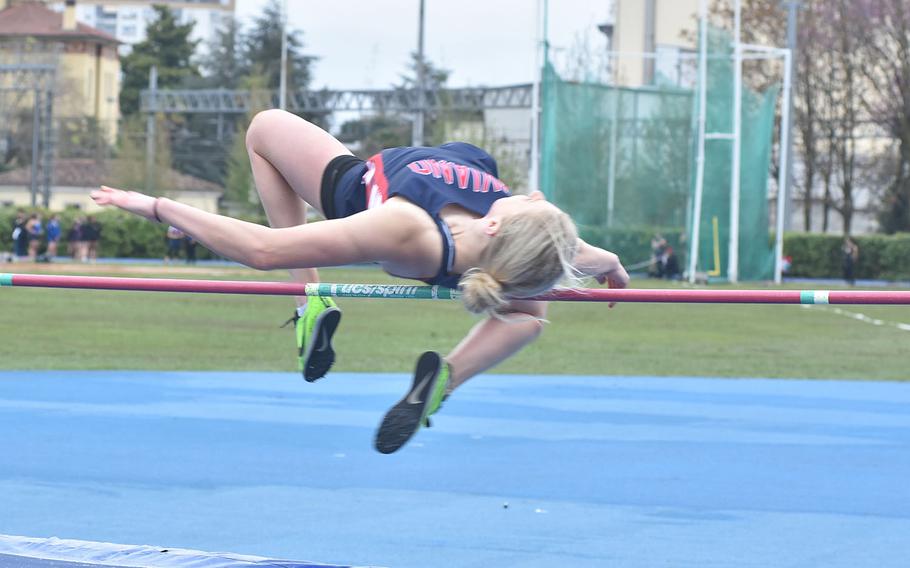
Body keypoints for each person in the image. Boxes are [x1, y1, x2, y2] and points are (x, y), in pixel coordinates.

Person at [91, 109, 629, 454]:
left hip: (378, 195)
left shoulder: (407, 230)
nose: (533, 196)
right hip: (464, 224)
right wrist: (610, 265)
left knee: (263, 129)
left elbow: (261, 250)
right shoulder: (530, 239)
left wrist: (157, 205)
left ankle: (312, 297)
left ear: (495, 221)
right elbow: (571, 250)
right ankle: (446, 379)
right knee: (530, 315)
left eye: (532, 204)